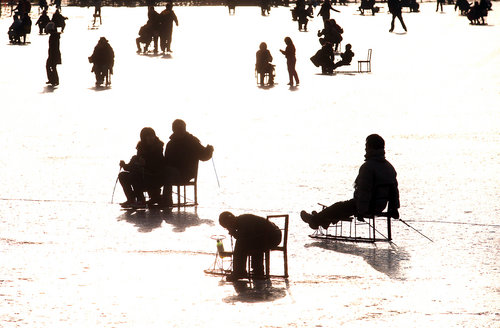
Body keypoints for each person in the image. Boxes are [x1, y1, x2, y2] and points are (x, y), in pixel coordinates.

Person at [301, 134, 400, 230]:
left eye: (366, 146)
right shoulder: (389, 167)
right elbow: (394, 192)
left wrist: (361, 211)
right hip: (380, 206)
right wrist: (394, 209)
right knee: (344, 207)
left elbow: (364, 191)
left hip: (365, 206)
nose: (365, 149)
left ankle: (314, 220)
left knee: (339, 206)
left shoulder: (367, 167)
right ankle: (323, 220)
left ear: (370, 147)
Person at [162, 119, 214, 207]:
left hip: (187, 173)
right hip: (172, 172)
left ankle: (166, 201)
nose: (179, 130)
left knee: (168, 172)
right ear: (173, 129)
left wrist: (209, 150)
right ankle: (157, 197)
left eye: (181, 128)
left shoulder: (192, 141)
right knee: (164, 171)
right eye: (177, 129)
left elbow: (203, 156)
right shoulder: (170, 144)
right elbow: (166, 161)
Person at [219, 211, 282, 282]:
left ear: (230, 221)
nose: (228, 228)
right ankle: (257, 270)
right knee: (249, 243)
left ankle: (239, 271)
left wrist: (233, 232)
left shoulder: (243, 221)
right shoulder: (242, 220)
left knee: (241, 244)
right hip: (270, 235)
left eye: (227, 226)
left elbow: (242, 238)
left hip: (272, 237)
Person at [119, 127, 165, 209]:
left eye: (152, 135)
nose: (150, 138)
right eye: (148, 136)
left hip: (154, 177)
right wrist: (124, 165)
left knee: (135, 174)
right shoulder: (141, 147)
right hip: (142, 175)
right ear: (143, 138)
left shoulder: (158, 148)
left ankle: (141, 200)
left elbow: (159, 165)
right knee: (123, 175)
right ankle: (131, 199)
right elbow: (132, 166)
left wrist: (145, 164)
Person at [45, 22, 61, 86]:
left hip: (53, 54)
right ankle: (53, 80)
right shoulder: (55, 35)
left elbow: (53, 47)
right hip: (54, 54)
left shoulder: (53, 36)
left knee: (50, 66)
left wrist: (51, 55)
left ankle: (53, 80)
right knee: (52, 67)